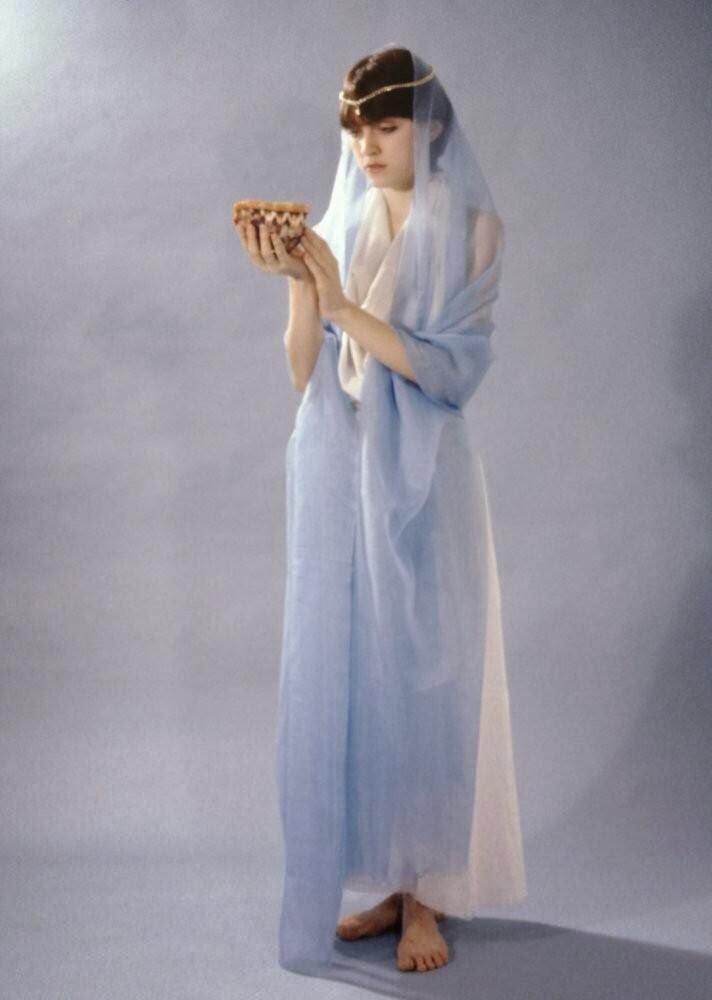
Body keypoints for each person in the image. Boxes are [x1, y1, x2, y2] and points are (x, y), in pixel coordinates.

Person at [235, 46, 526, 977]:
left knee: (429, 673)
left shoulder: (475, 230)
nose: (366, 145)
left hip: (426, 471)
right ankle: (392, 881)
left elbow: (448, 373)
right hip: (344, 466)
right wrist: (299, 285)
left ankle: (428, 892)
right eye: (356, 128)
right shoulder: (340, 224)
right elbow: (303, 372)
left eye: (386, 126)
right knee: (359, 671)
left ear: (428, 126)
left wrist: (339, 298)